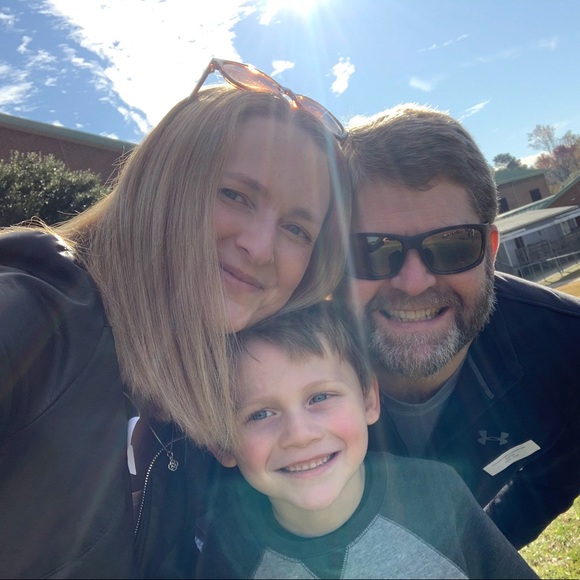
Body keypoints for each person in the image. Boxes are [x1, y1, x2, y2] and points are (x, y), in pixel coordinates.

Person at [0, 58, 352, 578]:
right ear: (164, 181)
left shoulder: (230, 399)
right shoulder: (33, 316)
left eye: (297, 229)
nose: (259, 248)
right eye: (235, 195)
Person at [339, 102, 580, 550]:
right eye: (372, 249)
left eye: (452, 245)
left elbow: (552, 480)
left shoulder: (569, 351)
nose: (413, 282)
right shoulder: (268, 364)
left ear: (491, 251)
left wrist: (468, 561)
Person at [195, 302, 538, 579]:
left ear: (369, 399)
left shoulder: (438, 492)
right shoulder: (226, 553)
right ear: (220, 442)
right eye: (260, 414)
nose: (299, 435)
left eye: (320, 397)